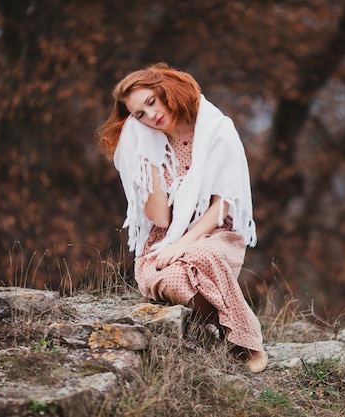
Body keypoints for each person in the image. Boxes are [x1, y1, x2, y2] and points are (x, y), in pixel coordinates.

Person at [98, 63, 267, 373]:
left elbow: (223, 205)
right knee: (168, 277)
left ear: (165, 91)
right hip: (166, 239)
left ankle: (247, 340)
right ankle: (222, 328)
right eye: (139, 115)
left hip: (216, 233)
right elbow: (161, 219)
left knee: (201, 255)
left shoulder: (217, 130)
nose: (151, 115)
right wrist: (147, 158)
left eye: (151, 102)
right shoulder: (148, 141)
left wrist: (184, 245)